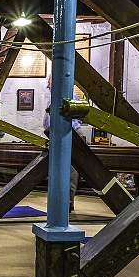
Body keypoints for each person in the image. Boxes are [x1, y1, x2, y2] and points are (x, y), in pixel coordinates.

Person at [43, 76, 80, 212]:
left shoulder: (67, 95)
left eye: (49, 82)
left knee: (70, 171)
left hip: (69, 134)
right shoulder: (55, 96)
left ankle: (67, 203)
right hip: (57, 134)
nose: (47, 85)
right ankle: (62, 201)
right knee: (61, 170)